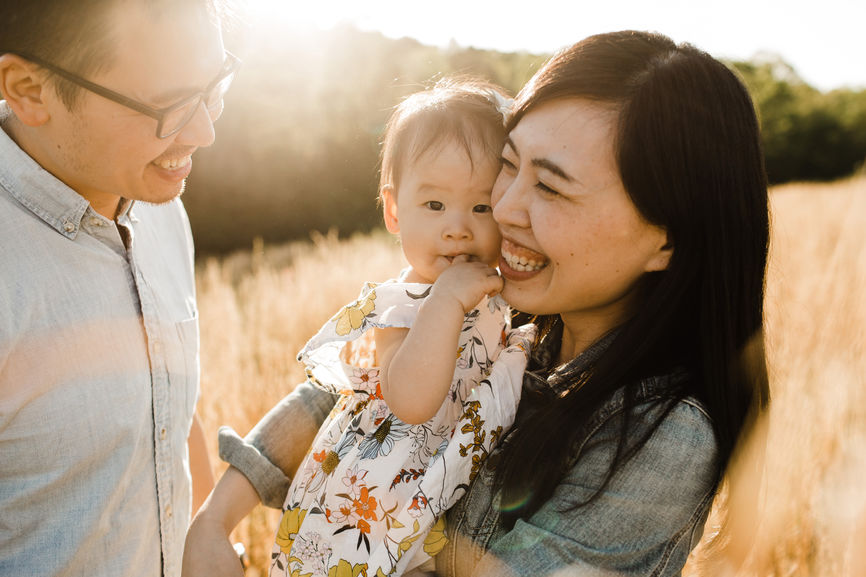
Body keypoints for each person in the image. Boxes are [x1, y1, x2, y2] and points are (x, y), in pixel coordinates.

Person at [183, 29, 770, 577]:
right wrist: (212, 521)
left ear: (667, 237)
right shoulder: (503, 314)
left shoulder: (663, 435)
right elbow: (343, 392)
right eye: (508, 166)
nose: (506, 207)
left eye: (550, 186)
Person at [0, 0, 235, 575]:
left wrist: (203, 535)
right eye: (169, 105)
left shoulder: (158, 201)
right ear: (28, 90)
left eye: (214, 85)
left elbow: (170, 406)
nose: (204, 131)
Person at [269, 79, 534, 577]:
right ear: (394, 211)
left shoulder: (498, 292)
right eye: (434, 206)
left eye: (481, 206)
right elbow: (411, 401)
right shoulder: (400, 305)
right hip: (368, 504)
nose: (457, 226)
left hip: (429, 504)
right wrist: (447, 301)